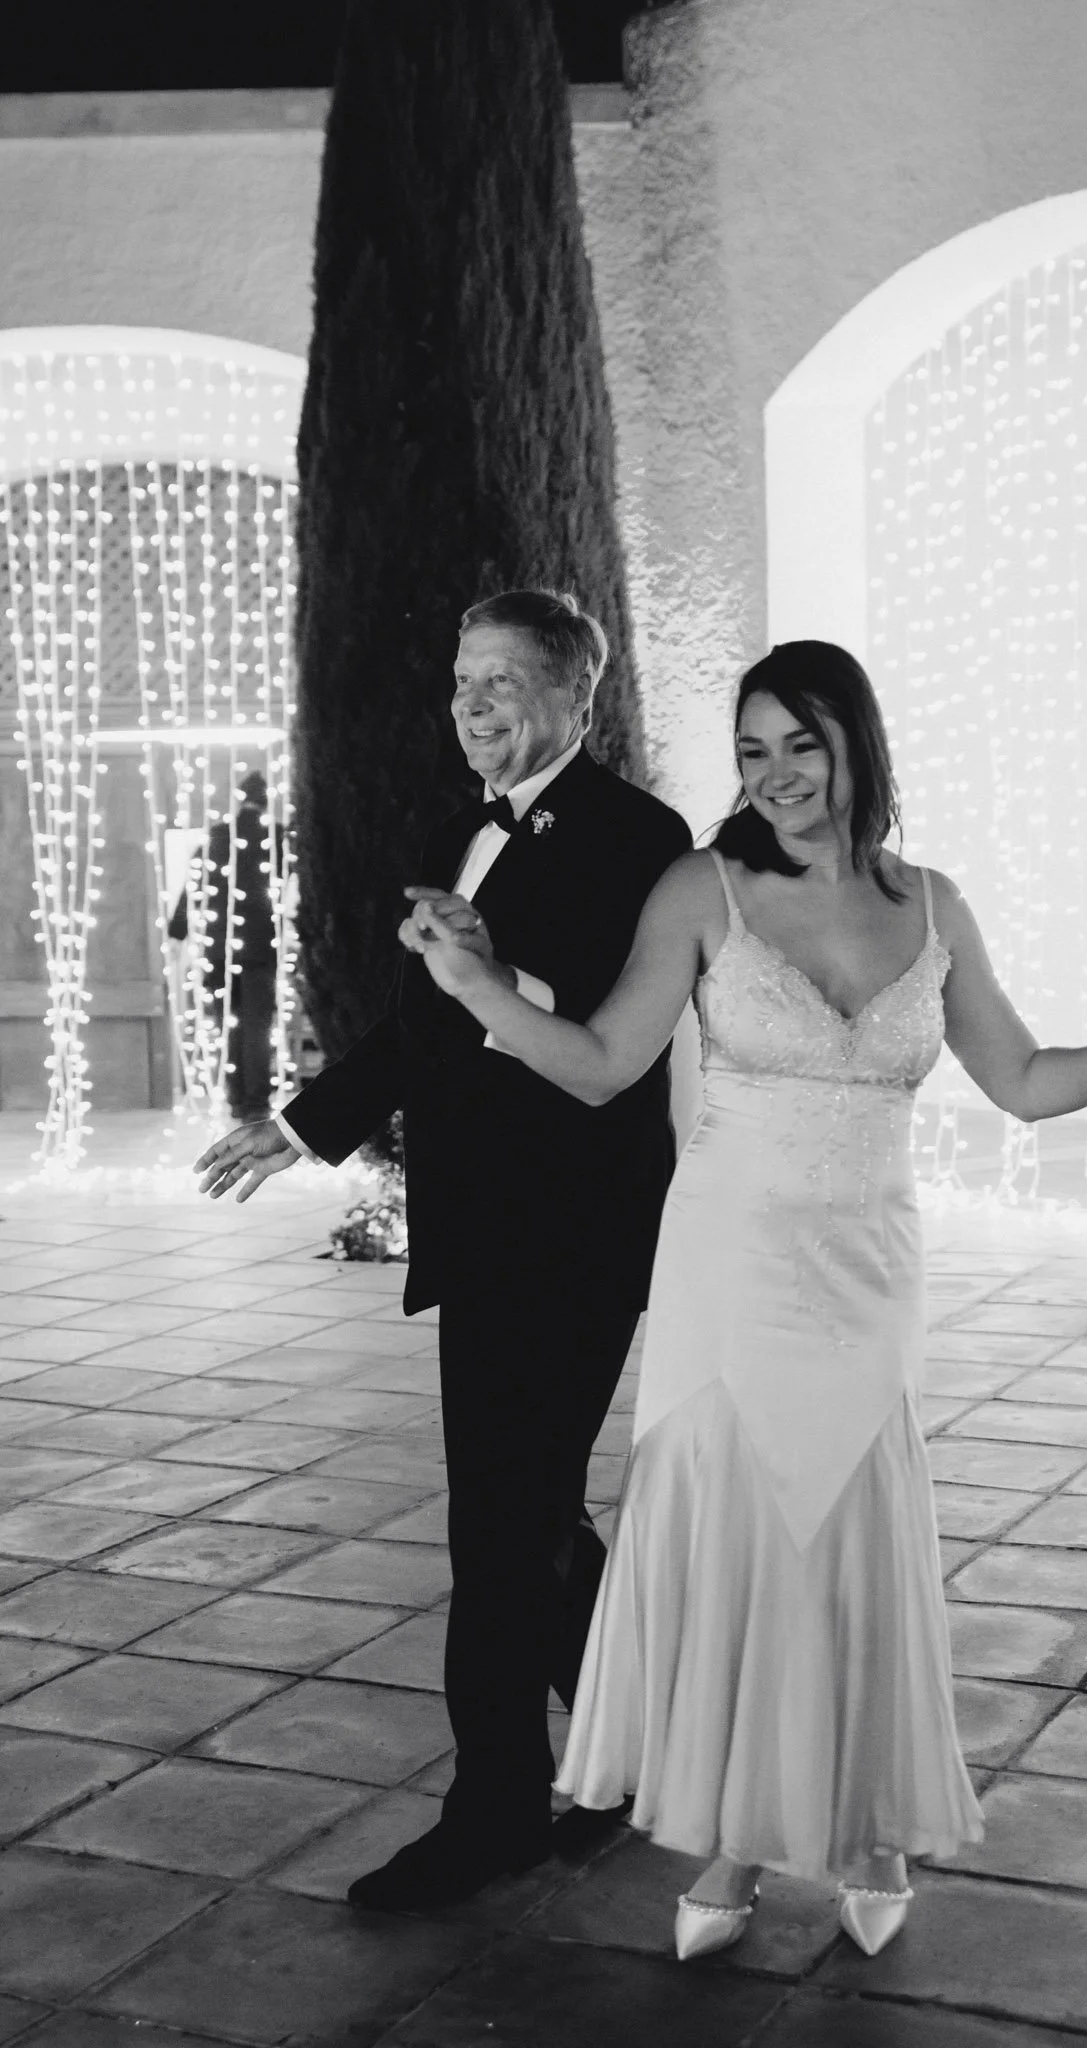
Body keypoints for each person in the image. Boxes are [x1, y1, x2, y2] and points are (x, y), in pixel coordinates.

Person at [403, 639, 1087, 1961]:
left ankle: (870, 1829)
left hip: (869, 1275)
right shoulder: (701, 888)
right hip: (730, 1271)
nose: (775, 774)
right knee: (741, 1558)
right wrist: (476, 987)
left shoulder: (934, 906)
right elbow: (609, 1063)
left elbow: (1018, 1081)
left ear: (856, 747)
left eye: (801, 744)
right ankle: (729, 1847)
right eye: (752, 749)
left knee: (848, 1558)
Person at [192, 590, 693, 1909]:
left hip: (576, 1227)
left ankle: (495, 1812)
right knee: (530, 1508)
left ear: (579, 696)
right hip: (479, 1223)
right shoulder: (453, 829)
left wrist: (491, 974)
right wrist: (303, 1127)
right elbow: (418, 1029)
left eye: (505, 681)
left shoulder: (639, 837)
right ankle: (636, 1738)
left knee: (498, 1521)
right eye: (464, 679)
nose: (474, 705)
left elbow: (595, 1027)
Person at [169, 769, 281, 1122]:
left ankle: (235, 1097)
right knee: (258, 1027)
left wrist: (178, 930)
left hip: (219, 948)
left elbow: (193, 888)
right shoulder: (276, 837)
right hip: (261, 946)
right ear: (266, 801)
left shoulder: (216, 837)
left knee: (228, 1024)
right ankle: (257, 1101)